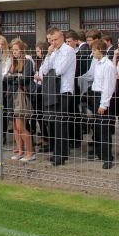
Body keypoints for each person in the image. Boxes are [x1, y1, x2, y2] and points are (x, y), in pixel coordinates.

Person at [39, 28, 76, 166]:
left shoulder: (68, 50)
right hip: (53, 90)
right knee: (54, 123)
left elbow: (59, 70)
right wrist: (48, 54)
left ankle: (61, 155)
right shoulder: (53, 51)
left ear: (62, 37)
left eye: (56, 39)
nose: (53, 42)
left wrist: (50, 69)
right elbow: (43, 70)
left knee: (61, 124)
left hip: (63, 90)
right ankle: (58, 153)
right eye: (51, 40)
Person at [88, 40, 117, 169]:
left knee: (104, 128)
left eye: (94, 50)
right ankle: (100, 153)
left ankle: (107, 157)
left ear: (100, 49)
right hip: (95, 94)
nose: (93, 52)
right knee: (98, 127)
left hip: (102, 97)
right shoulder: (97, 64)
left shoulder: (108, 65)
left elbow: (108, 86)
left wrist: (103, 104)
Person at [7, 38, 35, 162]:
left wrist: (13, 78)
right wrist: (15, 77)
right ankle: (20, 150)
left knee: (21, 126)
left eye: (16, 50)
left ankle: (30, 152)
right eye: (13, 50)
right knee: (15, 126)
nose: (14, 52)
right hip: (11, 96)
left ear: (22, 50)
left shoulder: (27, 61)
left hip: (20, 96)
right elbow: (5, 78)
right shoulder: (13, 62)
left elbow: (25, 78)